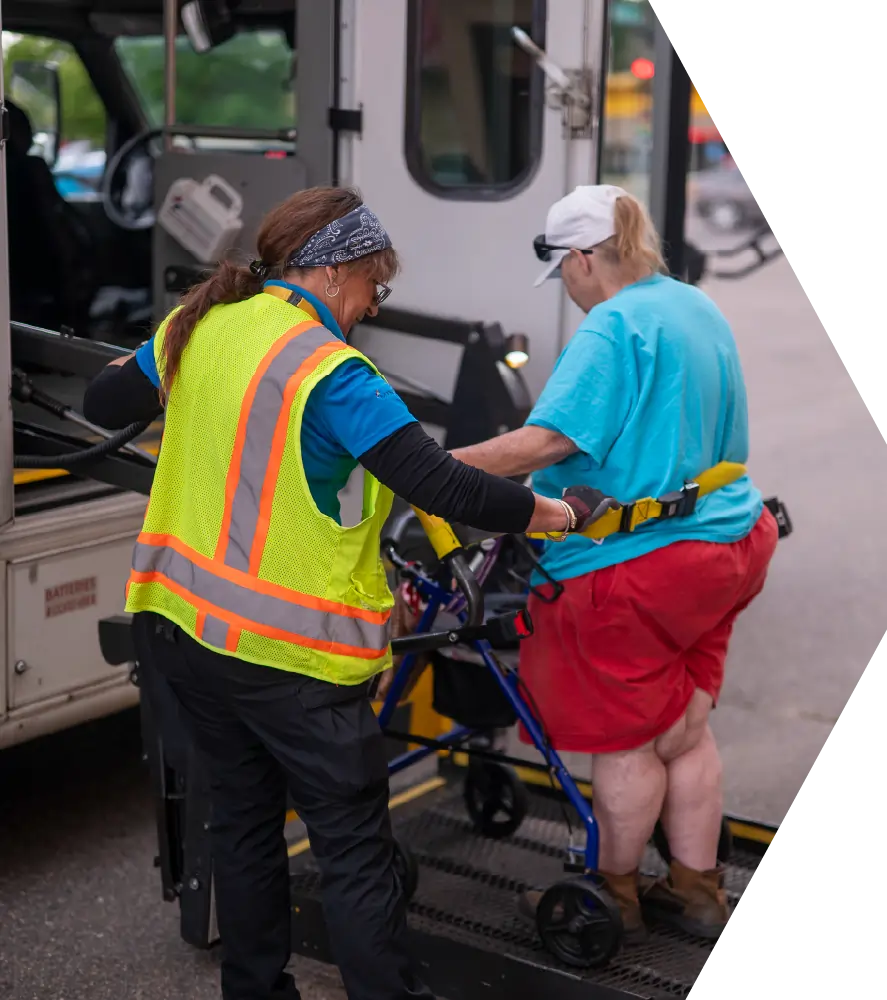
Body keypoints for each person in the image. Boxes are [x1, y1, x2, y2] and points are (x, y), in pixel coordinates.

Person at [82, 185, 618, 1000]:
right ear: (336, 272)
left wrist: (148, 361)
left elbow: (101, 401)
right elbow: (442, 486)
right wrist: (559, 511)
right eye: (376, 286)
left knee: (245, 824)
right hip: (287, 656)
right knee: (356, 852)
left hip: (181, 631)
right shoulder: (331, 373)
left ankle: (256, 990)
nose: (371, 307)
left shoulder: (201, 325)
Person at [449, 184, 779, 941]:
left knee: (626, 742)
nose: (567, 286)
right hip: (730, 542)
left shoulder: (613, 327)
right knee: (685, 728)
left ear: (582, 258)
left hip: (640, 568)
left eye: (565, 270)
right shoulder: (694, 305)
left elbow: (548, 441)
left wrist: (431, 464)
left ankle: (617, 894)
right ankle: (697, 892)